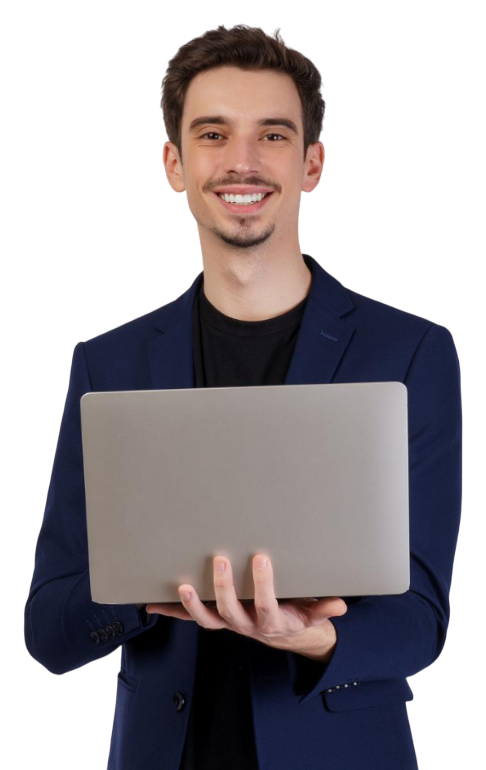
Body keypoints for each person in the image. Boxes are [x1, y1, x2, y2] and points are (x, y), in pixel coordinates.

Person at [24, 23, 461, 770]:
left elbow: (421, 617)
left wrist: (315, 637)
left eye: (273, 135)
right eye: (213, 133)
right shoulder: (108, 363)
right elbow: (49, 629)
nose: (242, 162)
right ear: (174, 163)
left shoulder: (410, 353)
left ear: (313, 163)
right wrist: (144, 591)